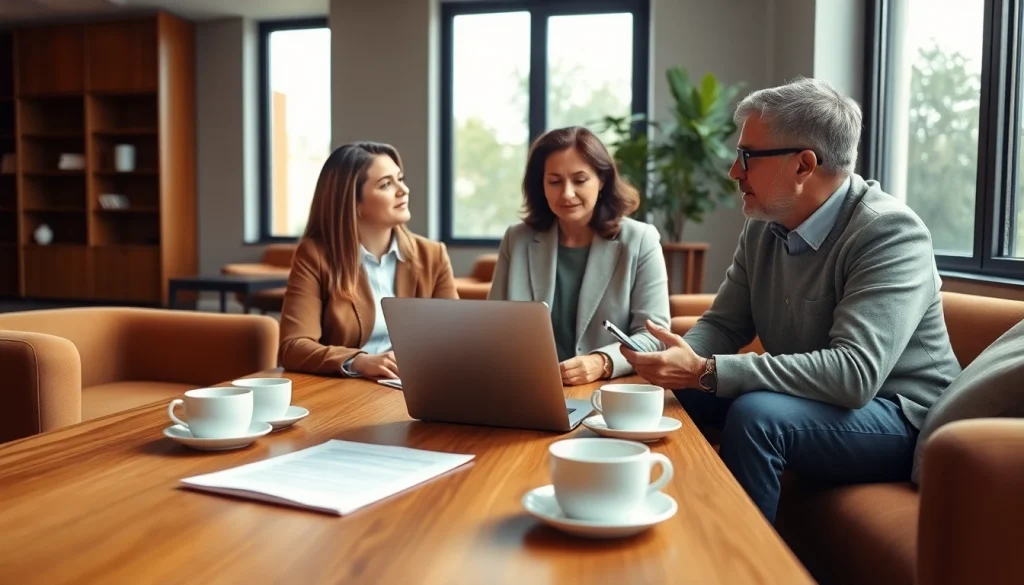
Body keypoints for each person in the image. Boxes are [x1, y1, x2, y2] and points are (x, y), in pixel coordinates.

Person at [620, 77, 961, 523]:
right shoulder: (764, 225)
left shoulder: (890, 233)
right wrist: (673, 362)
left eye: (747, 157)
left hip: (901, 416)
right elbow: (724, 324)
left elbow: (854, 375)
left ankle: (739, 556)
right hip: (819, 402)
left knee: (758, 416)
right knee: (673, 395)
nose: (734, 172)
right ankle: (640, 515)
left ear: (803, 165)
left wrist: (706, 371)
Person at [488, 126, 671, 385]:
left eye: (580, 180)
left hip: (606, 389)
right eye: (554, 181)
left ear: (602, 180)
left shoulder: (640, 240)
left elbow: (654, 337)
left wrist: (602, 362)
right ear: (541, 185)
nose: (567, 193)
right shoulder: (517, 239)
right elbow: (492, 329)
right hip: (527, 386)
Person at [279, 141, 457, 378]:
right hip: (347, 387)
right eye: (386, 184)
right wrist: (358, 361)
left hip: (414, 382)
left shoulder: (433, 255)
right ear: (353, 202)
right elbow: (293, 347)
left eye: (400, 179)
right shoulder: (315, 256)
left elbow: (455, 337)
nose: (403, 190)